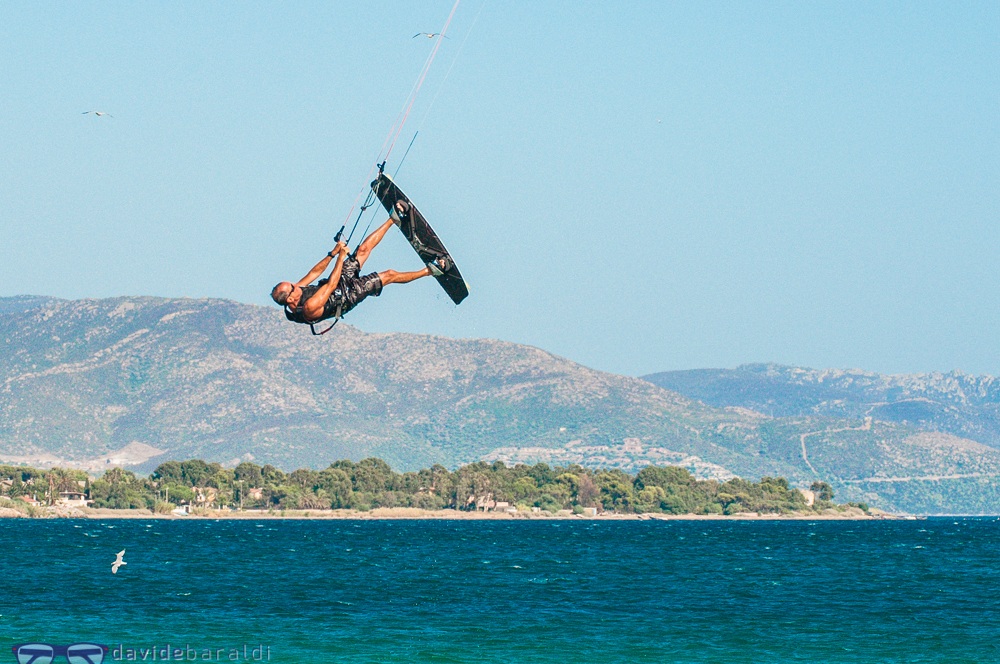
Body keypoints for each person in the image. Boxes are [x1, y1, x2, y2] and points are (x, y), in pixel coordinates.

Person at [270, 203, 450, 325]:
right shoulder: (308, 307)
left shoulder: (295, 291)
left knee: (363, 249)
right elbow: (331, 285)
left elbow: (313, 273)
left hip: (337, 282)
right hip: (347, 296)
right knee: (388, 275)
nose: (296, 284)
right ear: (291, 299)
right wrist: (341, 258)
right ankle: (431, 270)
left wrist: (332, 254)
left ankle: (393, 219)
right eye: (293, 287)